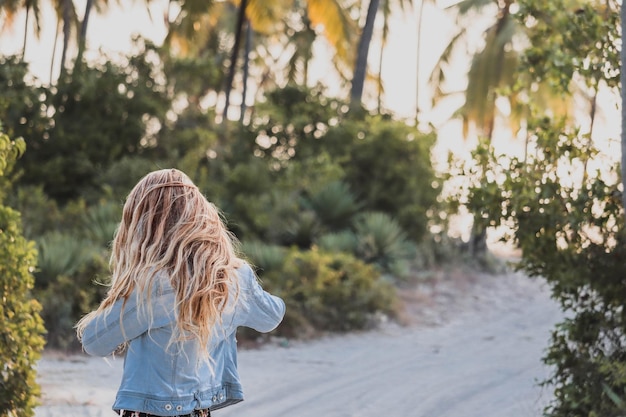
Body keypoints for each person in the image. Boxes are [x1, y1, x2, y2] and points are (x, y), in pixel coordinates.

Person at [76, 168, 286, 417]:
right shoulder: (234, 277)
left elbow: (93, 341)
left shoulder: (153, 285)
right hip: (200, 411)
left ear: (145, 224)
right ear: (200, 215)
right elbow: (271, 317)